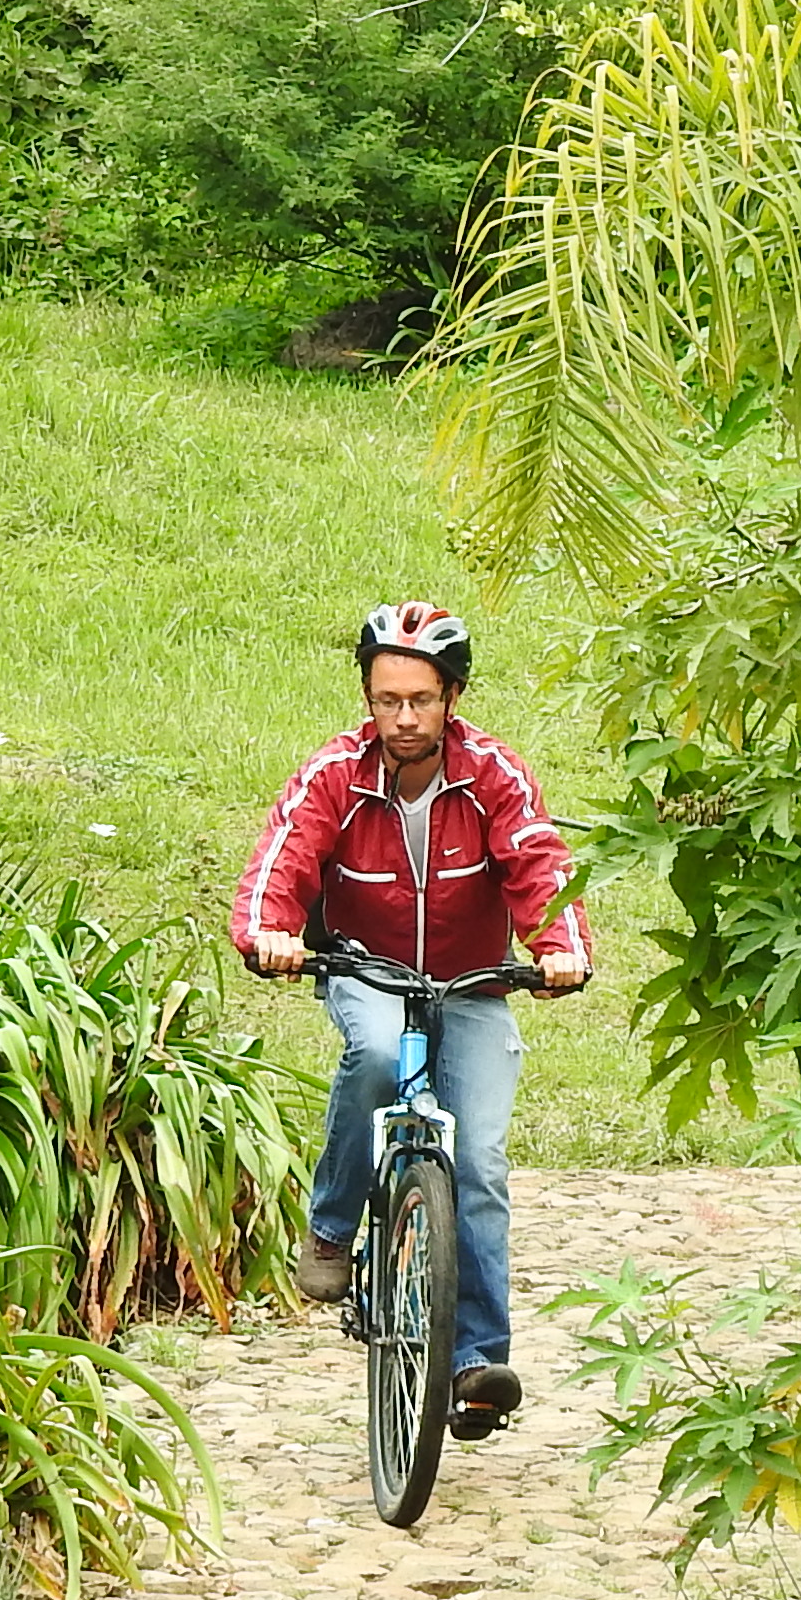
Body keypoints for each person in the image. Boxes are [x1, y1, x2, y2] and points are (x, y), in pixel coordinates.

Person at [232, 601, 588, 1439]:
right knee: (383, 1059)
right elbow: (284, 856)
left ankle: (475, 1364)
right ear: (367, 694)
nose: (401, 718)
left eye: (420, 699)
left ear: (452, 697)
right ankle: (330, 1228)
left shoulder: (494, 774)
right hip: (368, 967)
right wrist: (270, 935)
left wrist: (559, 947)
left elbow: (540, 864)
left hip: (471, 982)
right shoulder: (335, 774)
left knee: (484, 1161)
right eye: (386, 698)